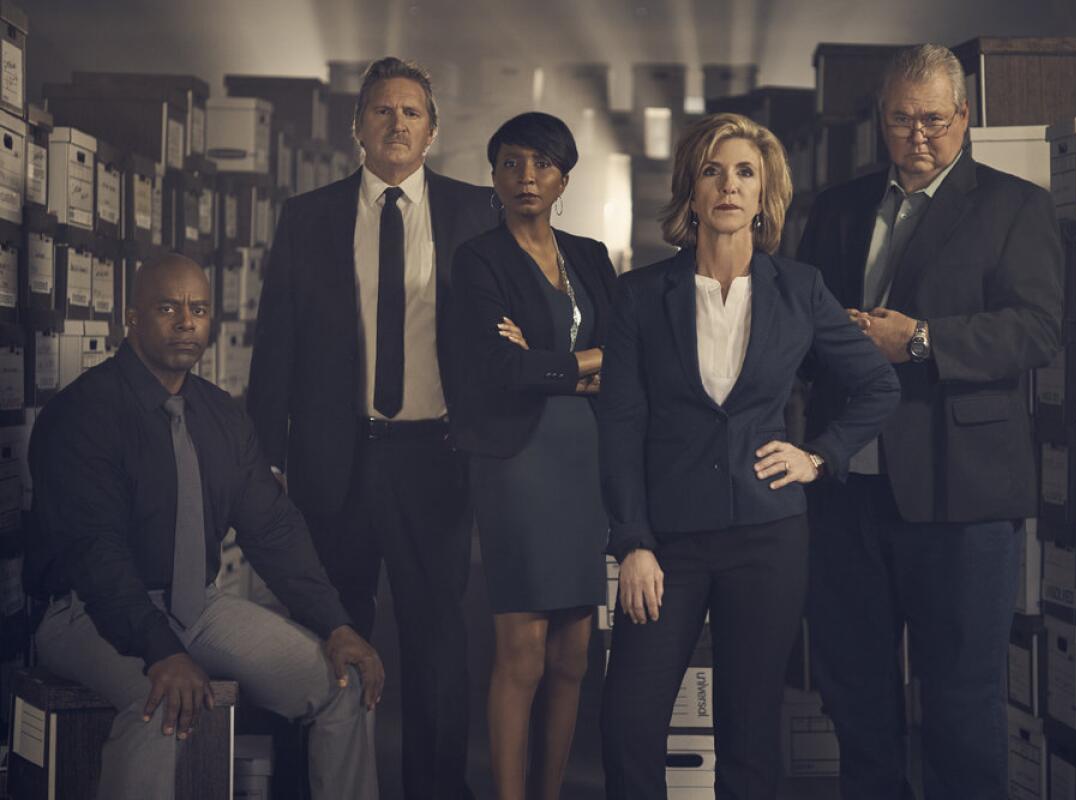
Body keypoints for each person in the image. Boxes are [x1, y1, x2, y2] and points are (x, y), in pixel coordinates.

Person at [597, 112, 900, 799]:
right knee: (628, 725)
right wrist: (633, 542)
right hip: (667, 543)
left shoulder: (800, 289)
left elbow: (879, 386)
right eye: (712, 170)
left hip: (768, 538)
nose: (728, 186)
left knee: (750, 733)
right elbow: (618, 425)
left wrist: (819, 457)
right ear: (690, 191)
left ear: (764, 195)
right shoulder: (641, 296)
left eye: (744, 172)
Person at [796, 44, 1062, 799]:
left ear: (966, 117)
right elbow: (803, 331)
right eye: (902, 120)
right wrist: (831, 336)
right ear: (881, 120)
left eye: (934, 121)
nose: (918, 137)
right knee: (857, 696)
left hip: (961, 496)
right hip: (849, 491)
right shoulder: (839, 208)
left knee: (959, 702)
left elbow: (1038, 330)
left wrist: (920, 340)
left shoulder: (1016, 205)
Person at [24, 254, 383, 800]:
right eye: (167, 307)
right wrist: (161, 651)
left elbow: (273, 528)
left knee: (344, 684)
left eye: (198, 309)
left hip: (198, 605)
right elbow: (96, 554)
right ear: (132, 318)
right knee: (162, 701)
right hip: (86, 612)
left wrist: (336, 624)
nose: (186, 321)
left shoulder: (220, 414)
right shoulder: (83, 414)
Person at [247, 57, 493, 799]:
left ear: (433, 130)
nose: (396, 123)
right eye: (381, 110)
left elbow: (503, 341)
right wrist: (263, 461)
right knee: (324, 637)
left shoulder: (475, 213)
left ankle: (436, 790)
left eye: (410, 112)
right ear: (357, 127)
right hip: (334, 460)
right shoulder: (307, 217)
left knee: (437, 646)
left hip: (435, 459)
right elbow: (275, 349)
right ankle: (317, 787)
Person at [450, 111, 615, 800]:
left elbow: (628, 357)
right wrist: (582, 365)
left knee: (574, 654)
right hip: (517, 461)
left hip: (586, 463)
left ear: (564, 177)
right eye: (511, 163)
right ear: (493, 175)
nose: (525, 177)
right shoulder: (479, 260)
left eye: (541, 164)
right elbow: (499, 370)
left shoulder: (592, 256)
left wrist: (553, 361)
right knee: (520, 650)